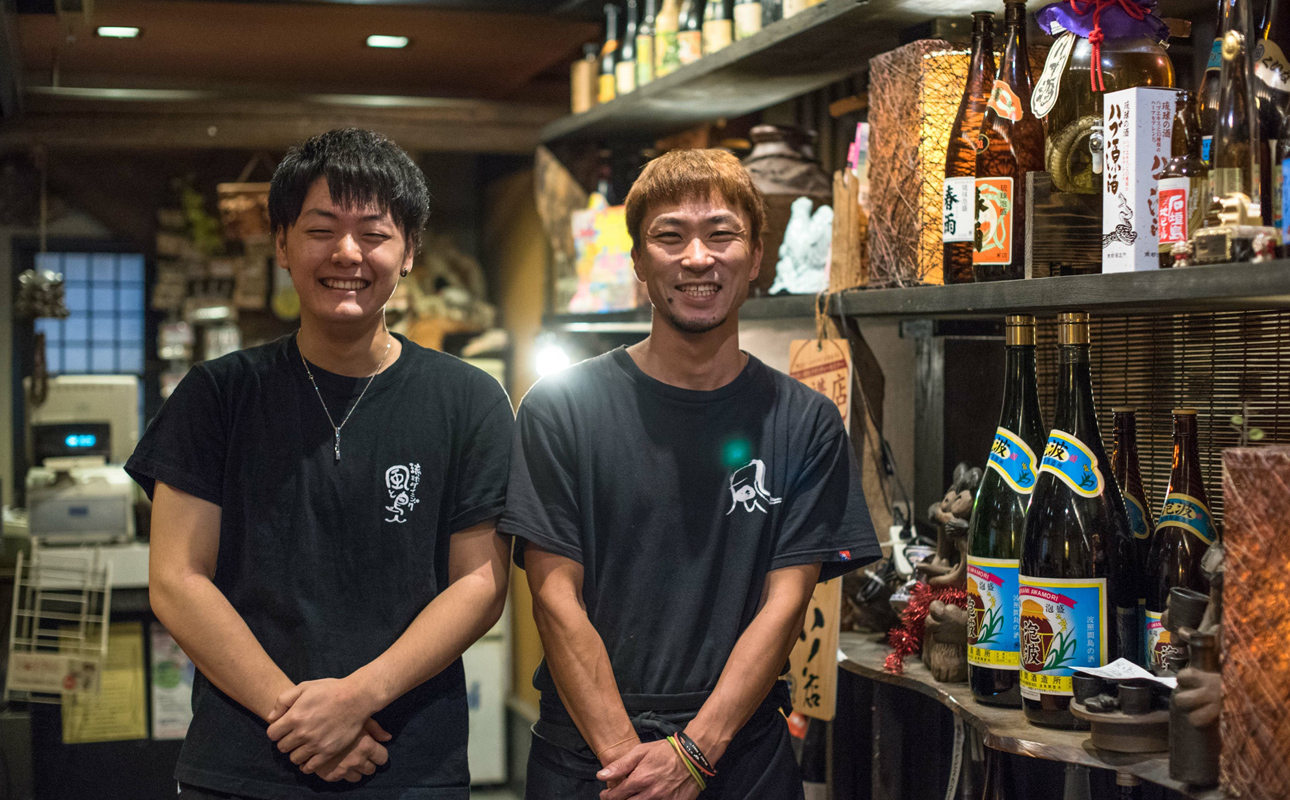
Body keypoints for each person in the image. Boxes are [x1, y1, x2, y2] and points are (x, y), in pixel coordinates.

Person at [127, 128, 513, 799]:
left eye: (374, 232)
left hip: (409, 761)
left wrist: (355, 700)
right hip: (244, 763)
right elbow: (176, 579)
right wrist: (298, 717)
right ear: (281, 243)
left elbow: (479, 583)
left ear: (410, 251)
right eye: (321, 228)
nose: (346, 253)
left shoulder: (468, 398)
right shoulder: (218, 394)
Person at [500, 148, 881, 799]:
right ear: (640, 265)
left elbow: (786, 601)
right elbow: (554, 598)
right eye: (669, 236)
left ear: (756, 257)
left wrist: (694, 753)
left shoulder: (805, 420)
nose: (697, 257)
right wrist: (633, 763)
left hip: (739, 756)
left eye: (721, 234)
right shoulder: (561, 408)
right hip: (590, 759)